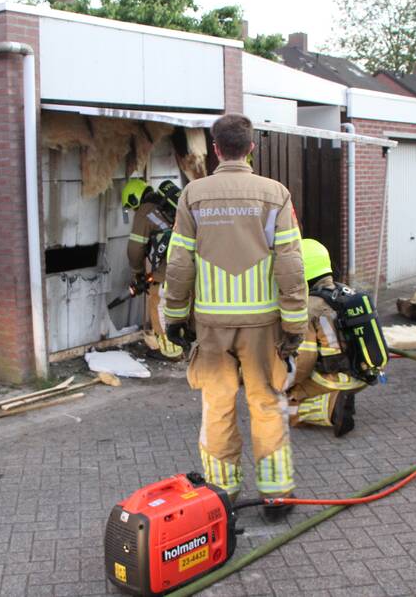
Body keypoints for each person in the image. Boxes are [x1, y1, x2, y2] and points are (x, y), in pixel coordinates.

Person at [163, 114, 307, 521]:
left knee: (217, 406)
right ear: (251, 149)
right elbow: (291, 265)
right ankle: (276, 497)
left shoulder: (193, 194)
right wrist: (294, 322)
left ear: (214, 148)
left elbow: (179, 263)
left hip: (210, 327)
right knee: (267, 403)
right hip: (263, 325)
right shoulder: (274, 194)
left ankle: (222, 495)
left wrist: (174, 316)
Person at [287, 239, 363, 437]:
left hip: (335, 377)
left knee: (284, 407)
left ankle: (333, 408)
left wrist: (284, 384)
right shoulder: (345, 291)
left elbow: (304, 361)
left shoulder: (310, 308)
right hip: (363, 372)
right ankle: (342, 396)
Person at [122, 178, 182, 360]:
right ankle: (184, 343)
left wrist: (137, 273)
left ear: (134, 200)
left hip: (168, 268)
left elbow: (135, 248)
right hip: (186, 263)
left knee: (157, 303)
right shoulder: (164, 209)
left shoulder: (145, 211)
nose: (133, 211)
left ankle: (170, 351)